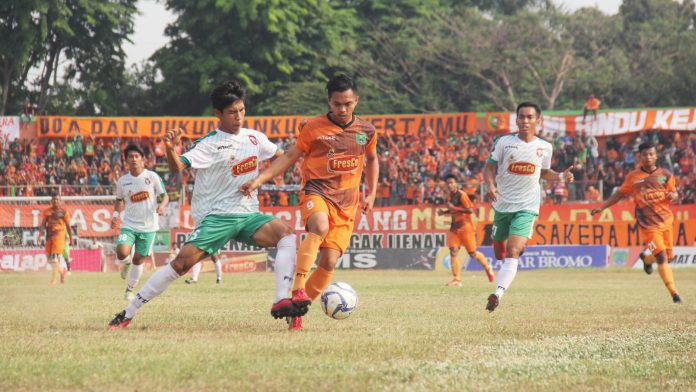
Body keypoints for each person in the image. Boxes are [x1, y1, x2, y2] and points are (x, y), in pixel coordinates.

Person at [108, 80, 298, 330]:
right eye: (232, 112)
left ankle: (281, 299)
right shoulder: (209, 144)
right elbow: (178, 166)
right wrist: (169, 149)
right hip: (216, 218)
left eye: (242, 110)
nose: (239, 117)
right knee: (180, 265)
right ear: (218, 114)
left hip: (248, 215)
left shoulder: (255, 138)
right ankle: (128, 312)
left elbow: (283, 158)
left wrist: (260, 179)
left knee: (287, 235)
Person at [240, 74, 379, 331]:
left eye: (347, 103)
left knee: (329, 262)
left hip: (347, 203)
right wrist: (260, 179)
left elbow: (371, 160)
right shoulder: (313, 128)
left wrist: (371, 193)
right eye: (337, 104)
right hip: (317, 192)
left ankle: (298, 309)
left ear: (356, 101)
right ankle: (299, 288)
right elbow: (291, 155)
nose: (342, 109)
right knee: (319, 226)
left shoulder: (367, 131)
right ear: (329, 101)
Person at [484, 102, 574, 312]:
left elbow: (543, 173)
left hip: (527, 206)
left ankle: (498, 293)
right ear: (516, 120)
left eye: (529, 117)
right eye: (521, 117)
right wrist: (490, 184)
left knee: (512, 251)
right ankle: (516, 245)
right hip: (501, 205)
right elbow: (489, 167)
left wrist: (561, 176)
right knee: (499, 252)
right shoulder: (504, 142)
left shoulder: (544, 147)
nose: (525, 121)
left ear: (538, 121)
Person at [591, 142, 682, 304]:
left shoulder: (666, 174)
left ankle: (647, 259)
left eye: (651, 154)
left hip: (666, 221)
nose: (648, 157)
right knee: (661, 257)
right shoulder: (633, 177)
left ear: (656, 156)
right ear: (639, 156)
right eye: (645, 154)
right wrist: (602, 207)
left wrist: (673, 196)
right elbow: (619, 194)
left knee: (668, 257)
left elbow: (674, 193)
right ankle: (675, 294)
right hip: (647, 225)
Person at [111, 143, 169, 301]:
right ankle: (126, 263)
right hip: (129, 224)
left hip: (149, 227)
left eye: (137, 156)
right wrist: (116, 215)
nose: (134, 159)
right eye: (130, 156)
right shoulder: (122, 181)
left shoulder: (152, 177)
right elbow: (119, 200)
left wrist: (162, 207)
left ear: (143, 159)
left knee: (139, 259)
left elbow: (165, 195)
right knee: (122, 252)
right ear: (126, 160)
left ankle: (130, 290)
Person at [437, 174, 494, 286]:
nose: (450, 185)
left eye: (452, 182)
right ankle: (457, 280)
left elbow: (469, 210)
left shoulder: (462, 195)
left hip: (466, 227)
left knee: (472, 254)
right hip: (454, 228)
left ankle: (488, 267)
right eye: (448, 183)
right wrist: (444, 212)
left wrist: (454, 208)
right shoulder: (448, 196)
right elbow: (454, 211)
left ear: (456, 184)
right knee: (453, 252)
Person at [41, 195, 74, 284]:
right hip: (49, 236)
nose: (56, 201)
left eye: (57, 199)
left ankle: (53, 280)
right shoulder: (46, 212)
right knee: (49, 259)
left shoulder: (64, 212)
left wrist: (71, 238)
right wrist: (40, 235)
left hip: (59, 236)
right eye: (54, 199)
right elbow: (43, 224)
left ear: (60, 201)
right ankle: (62, 272)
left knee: (54, 258)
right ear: (51, 201)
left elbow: (68, 226)